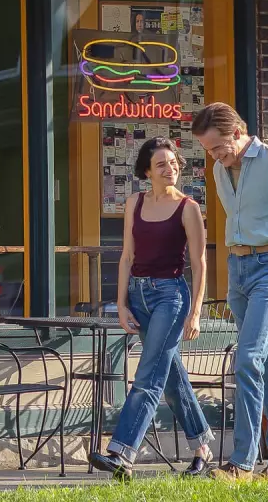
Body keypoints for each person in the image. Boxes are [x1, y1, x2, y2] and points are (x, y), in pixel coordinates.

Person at [192, 103, 268, 481]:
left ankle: (241, 463)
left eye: (217, 146)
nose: (213, 156)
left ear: (236, 131)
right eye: (208, 150)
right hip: (239, 269)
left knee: (247, 358)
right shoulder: (218, 170)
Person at [88, 137, 214, 481]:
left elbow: (200, 262)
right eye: (161, 164)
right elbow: (126, 256)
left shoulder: (188, 207)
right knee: (170, 376)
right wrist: (121, 303)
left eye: (174, 163)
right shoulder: (134, 203)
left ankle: (122, 454)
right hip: (138, 296)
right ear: (147, 171)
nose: (170, 169)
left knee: (147, 376)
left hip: (170, 298)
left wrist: (196, 312)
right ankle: (202, 447)